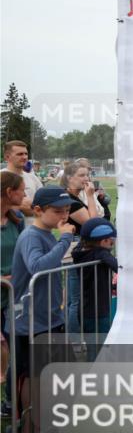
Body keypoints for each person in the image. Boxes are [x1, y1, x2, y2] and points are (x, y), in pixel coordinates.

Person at [9, 187, 76, 417]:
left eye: (67, 211)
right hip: (28, 321)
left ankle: (47, 420)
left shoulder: (46, 234)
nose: (64, 217)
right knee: (32, 376)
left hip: (48, 316)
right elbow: (37, 266)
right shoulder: (30, 236)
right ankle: (29, 430)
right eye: (58, 211)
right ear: (37, 210)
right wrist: (65, 239)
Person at [62, 162, 100, 334]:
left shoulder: (74, 198)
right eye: (82, 175)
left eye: (87, 175)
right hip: (76, 246)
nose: (86, 179)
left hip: (75, 245)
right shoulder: (71, 200)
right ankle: (75, 340)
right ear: (70, 178)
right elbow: (93, 223)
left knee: (73, 297)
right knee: (76, 299)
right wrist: (91, 196)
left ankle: (72, 337)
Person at [71, 218, 118, 351]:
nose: (113, 245)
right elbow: (118, 266)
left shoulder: (80, 251)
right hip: (99, 312)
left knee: (93, 347)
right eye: (111, 241)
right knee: (100, 350)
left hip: (85, 310)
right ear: (103, 241)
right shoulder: (100, 253)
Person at [1, 171, 26, 412]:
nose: (26, 194)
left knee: (14, 350)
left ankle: (10, 403)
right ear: (9, 192)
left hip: (12, 297)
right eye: (22, 190)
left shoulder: (17, 219)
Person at [3, 141, 44, 217]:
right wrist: (17, 206)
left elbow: (44, 202)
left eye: (26, 154)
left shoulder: (33, 178)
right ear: (7, 157)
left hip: (32, 226)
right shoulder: (1, 177)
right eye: (20, 154)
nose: (25, 157)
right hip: (7, 227)